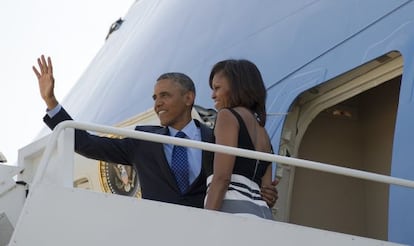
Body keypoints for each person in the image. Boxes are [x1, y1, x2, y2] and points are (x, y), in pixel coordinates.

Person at [32, 55, 278, 209]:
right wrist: (52, 102)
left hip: (208, 232)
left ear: (189, 98)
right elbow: (87, 143)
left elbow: (237, 176)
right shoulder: (142, 141)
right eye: (154, 97)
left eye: (165, 95)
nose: (157, 103)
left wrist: (265, 192)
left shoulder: (215, 137)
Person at [204, 59, 274, 219]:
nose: (213, 95)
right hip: (263, 217)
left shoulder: (227, 116)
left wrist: (205, 221)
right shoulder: (264, 134)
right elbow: (267, 191)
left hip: (232, 214)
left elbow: (222, 177)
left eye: (217, 88)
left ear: (236, 87)